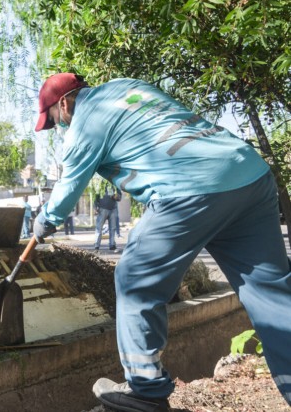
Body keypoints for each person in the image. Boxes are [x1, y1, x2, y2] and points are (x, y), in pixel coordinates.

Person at [31, 73, 291, 412]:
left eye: (54, 121)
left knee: (134, 278)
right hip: (248, 175)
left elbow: (68, 189)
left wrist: (44, 221)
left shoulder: (85, 122)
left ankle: (145, 390)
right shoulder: (127, 86)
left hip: (189, 187)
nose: (59, 128)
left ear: (63, 103)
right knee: (272, 297)